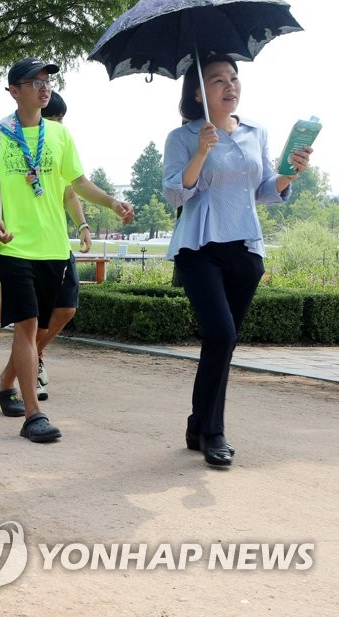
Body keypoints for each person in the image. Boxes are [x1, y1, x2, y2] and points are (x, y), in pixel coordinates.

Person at [0, 57, 134, 443]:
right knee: (27, 326)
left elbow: (78, 182)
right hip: (14, 248)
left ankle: (6, 381)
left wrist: (111, 203)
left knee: (62, 313)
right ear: (14, 90)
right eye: (34, 81)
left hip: (55, 248)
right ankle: (33, 414)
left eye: (47, 81)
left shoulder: (59, 136)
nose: (44, 87)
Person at [164, 54, 310, 467]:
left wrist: (289, 174)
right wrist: (200, 151)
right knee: (222, 335)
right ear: (198, 92)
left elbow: (265, 189)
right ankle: (214, 432)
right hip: (199, 248)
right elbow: (177, 194)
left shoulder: (255, 132)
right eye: (217, 80)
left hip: (245, 249)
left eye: (233, 78)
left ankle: (197, 425)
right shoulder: (182, 137)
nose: (229, 85)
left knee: (220, 344)